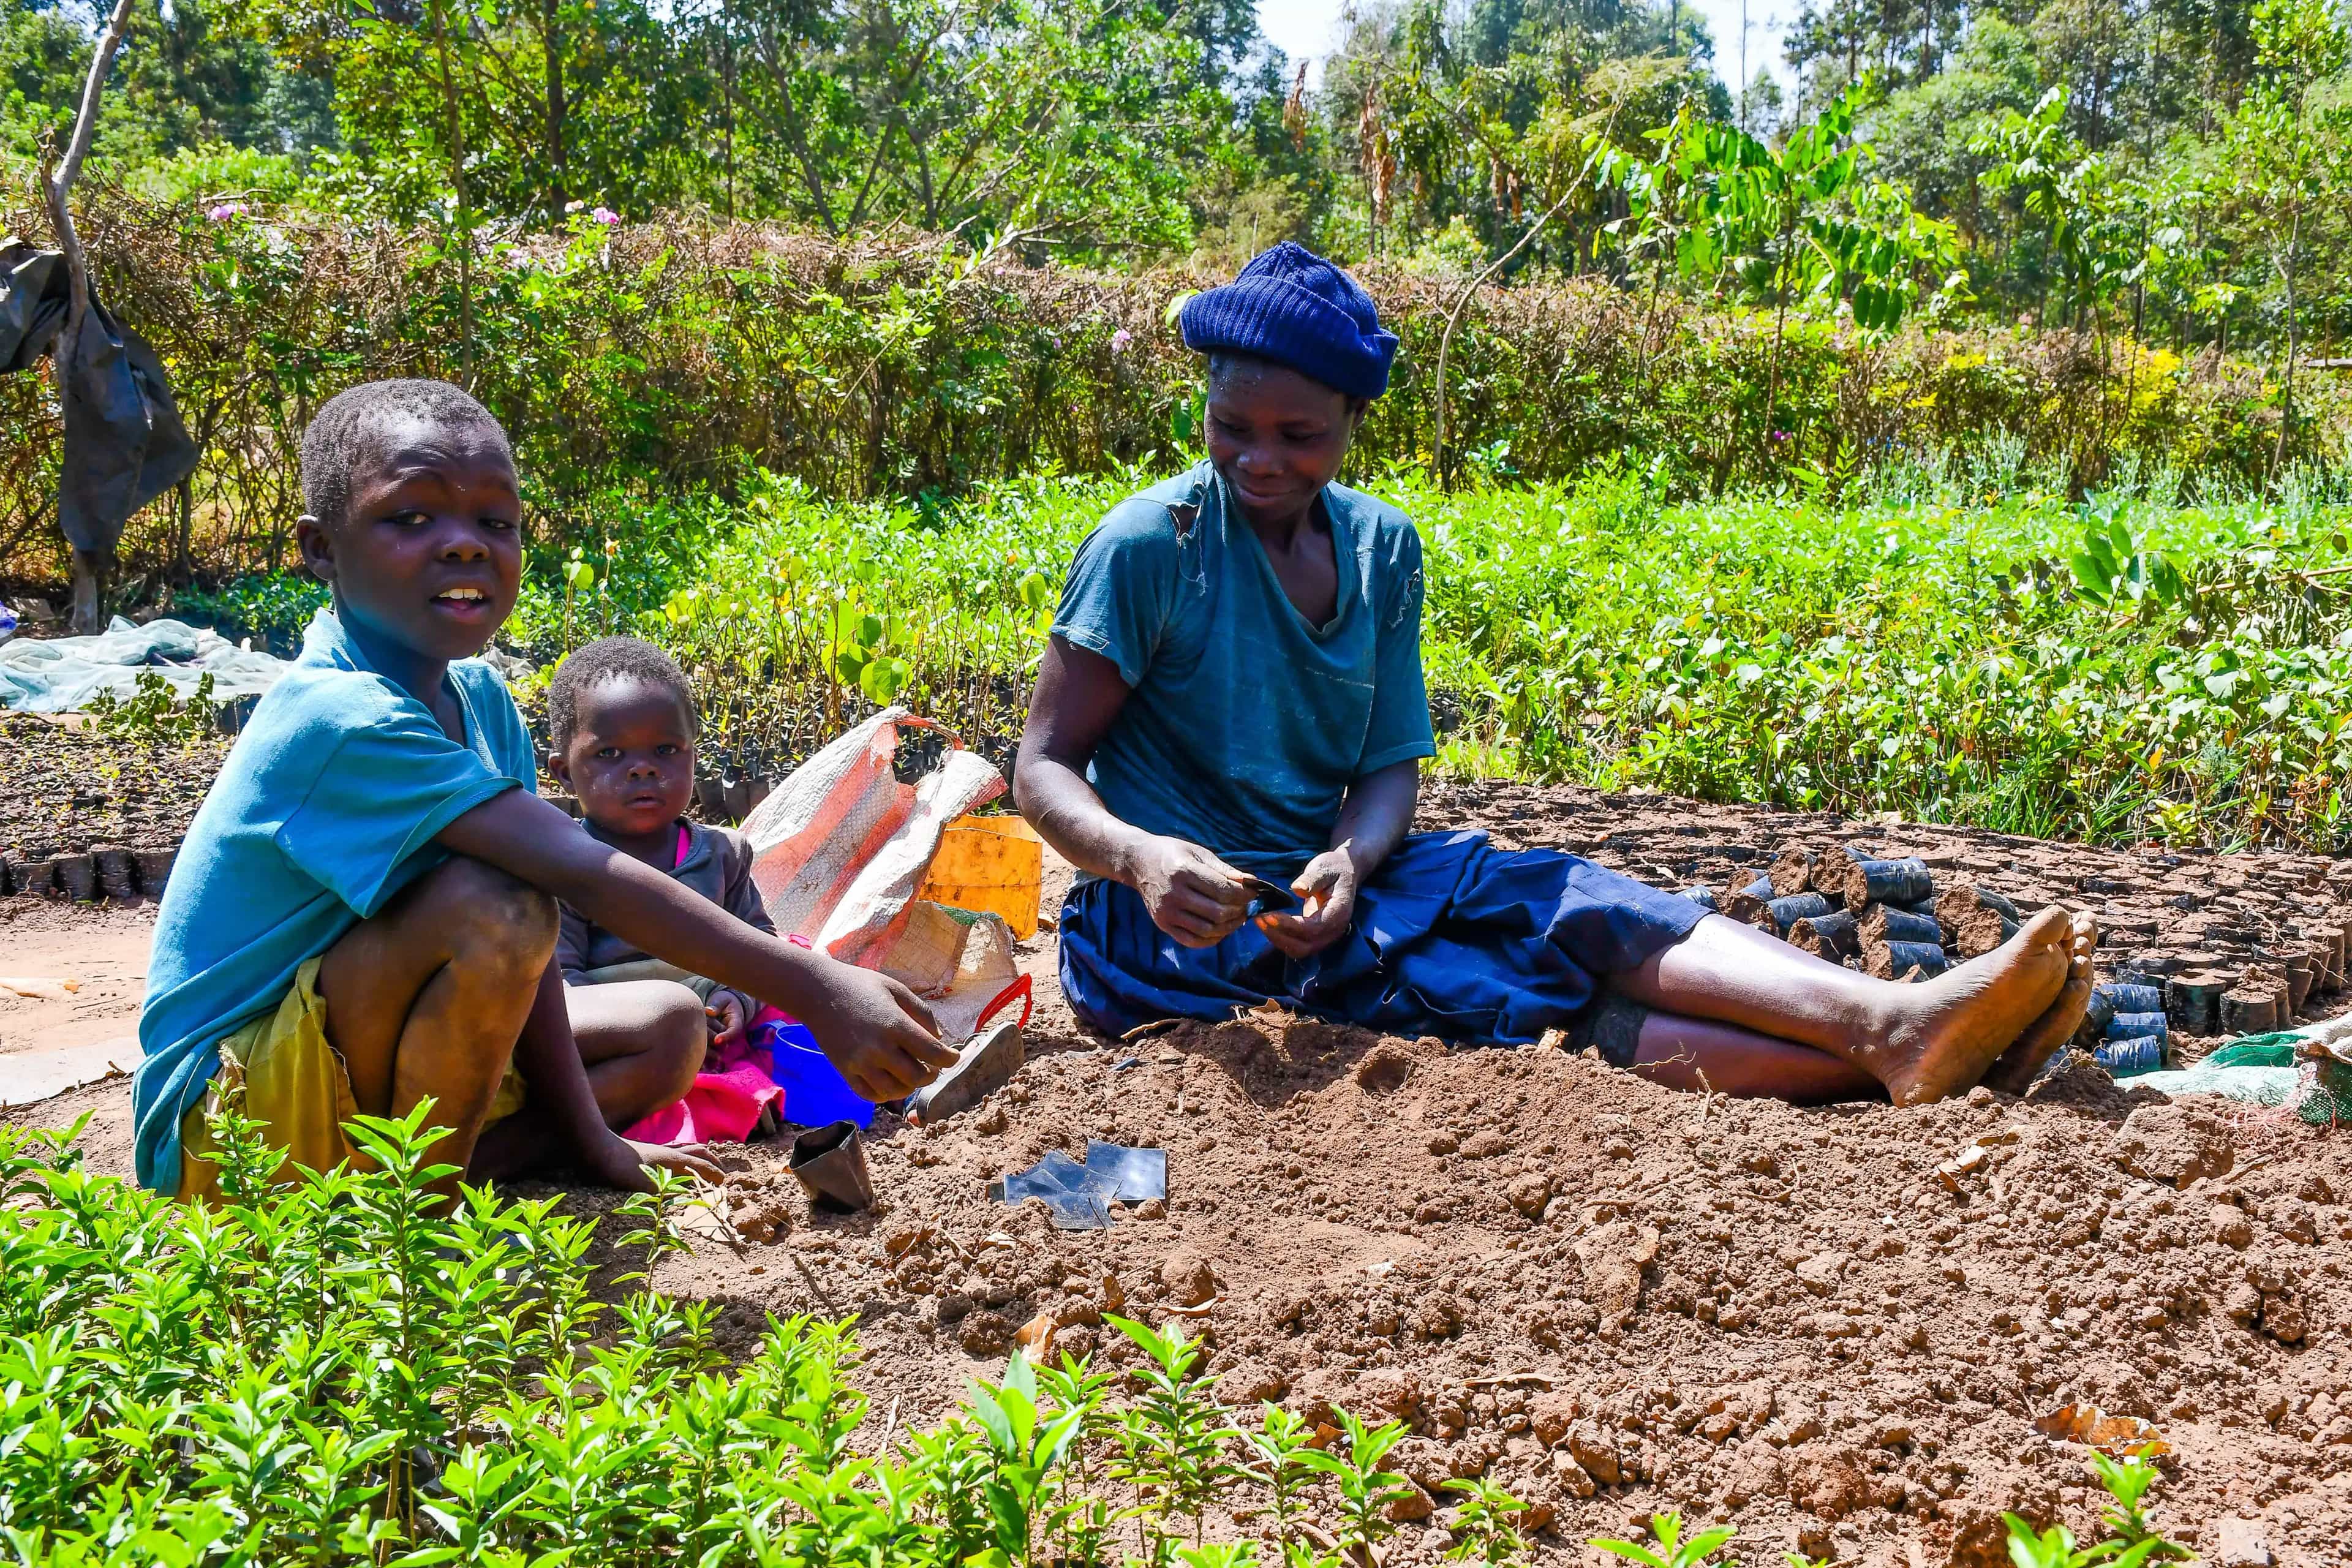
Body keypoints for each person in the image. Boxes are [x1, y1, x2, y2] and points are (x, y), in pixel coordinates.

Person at [1014, 243, 2096, 1106]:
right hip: (1170, 938)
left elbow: (1389, 766)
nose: (1260, 458)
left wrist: (1350, 856)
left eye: (1298, 434)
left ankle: (1888, 1022)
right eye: (1230, 427)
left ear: (1351, 424)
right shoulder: (1153, 543)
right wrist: (1141, 855)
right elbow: (1044, 767)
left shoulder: (1382, 549)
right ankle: (1896, 1048)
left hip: (1334, 888)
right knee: (1486, 988)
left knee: (1568, 901)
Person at [134, 380, 958, 1203]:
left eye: (497, 522)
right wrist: (812, 986)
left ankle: (414, 1186)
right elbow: (572, 874)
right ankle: (415, 1219)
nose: (465, 546)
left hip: (349, 1071)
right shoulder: (339, 717)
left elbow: (527, 965)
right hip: (230, 1120)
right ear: (321, 549)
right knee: (495, 904)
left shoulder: (481, 701)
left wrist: (599, 1144)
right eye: (411, 517)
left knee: (670, 1028)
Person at [543, 635, 792, 1145]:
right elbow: (565, 984)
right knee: (661, 1098)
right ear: (564, 774)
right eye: (610, 753)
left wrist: (735, 998)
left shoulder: (724, 855)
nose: (643, 769)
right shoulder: (566, 871)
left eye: (666, 750)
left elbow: (757, 939)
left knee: (801, 974)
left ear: (693, 755)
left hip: (718, 1022)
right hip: (637, 1040)